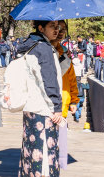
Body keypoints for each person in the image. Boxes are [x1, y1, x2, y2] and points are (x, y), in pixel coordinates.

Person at [17, 20, 63, 177]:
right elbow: (49, 80)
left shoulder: (30, 45)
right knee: (44, 156)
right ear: (41, 28)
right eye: (52, 26)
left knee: (30, 152)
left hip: (30, 106)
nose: (56, 30)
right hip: (44, 108)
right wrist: (57, 107)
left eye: (57, 27)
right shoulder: (43, 48)